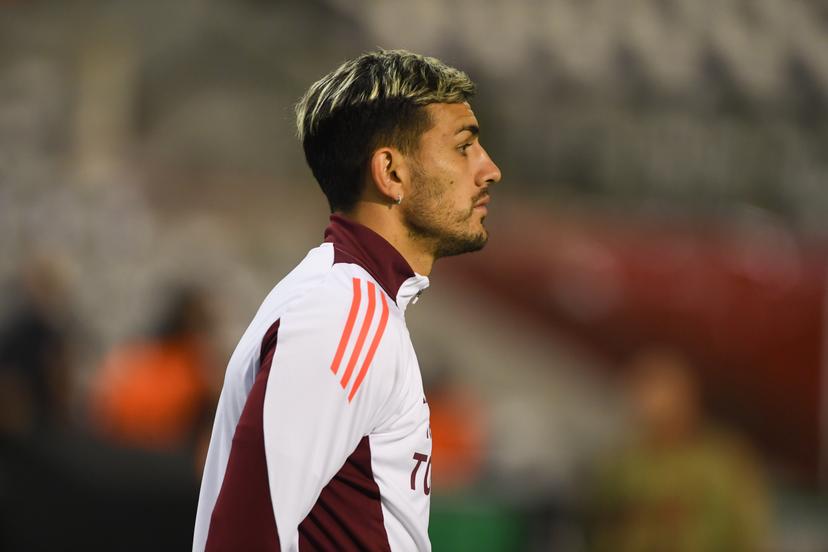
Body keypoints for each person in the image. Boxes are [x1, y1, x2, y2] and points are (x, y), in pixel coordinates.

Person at [193, 49, 502, 551]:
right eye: (464, 146)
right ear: (391, 173)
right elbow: (244, 538)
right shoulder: (341, 311)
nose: (490, 169)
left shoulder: (351, 301)